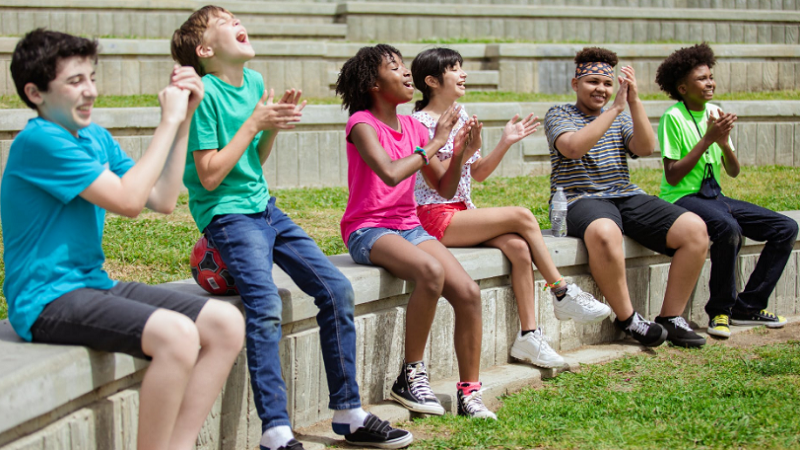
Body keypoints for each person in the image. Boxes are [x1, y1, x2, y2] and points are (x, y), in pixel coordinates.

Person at [170, 7, 411, 450]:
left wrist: (271, 129)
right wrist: (255, 124)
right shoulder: (202, 94)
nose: (237, 21)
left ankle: (348, 412)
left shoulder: (256, 83)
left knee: (335, 289)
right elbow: (209, 177)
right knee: (264, 306)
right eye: (224, 21)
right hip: (226, 214)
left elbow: (252, 162)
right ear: (205, 51)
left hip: (265, 208)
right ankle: (275, 430)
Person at [1, 29, 245, 450]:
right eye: (75, 82)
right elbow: (129, 201)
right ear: (35, 93)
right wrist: (166, 121)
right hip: (44, 300)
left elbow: (161, 198)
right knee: (177, 336)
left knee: (225, 324)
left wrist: (184, 118)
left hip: (93, 285)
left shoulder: (93, 137)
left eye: (91, 78)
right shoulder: (38, 142)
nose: (90, 91)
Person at [409, 47, 612, 369]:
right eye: (454, 69)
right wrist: (461, 150)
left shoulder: (462, 116)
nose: (463, 74)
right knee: (521, 215)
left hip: (462, 211)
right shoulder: (417, 124)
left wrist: (505, 141)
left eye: (462, 67)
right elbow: (438, 184)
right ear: (432, 80)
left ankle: (529, 336)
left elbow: (479, 173)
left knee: (518, 248)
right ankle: (560, 291)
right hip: (432, 215)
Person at [335, 44, 498, 420]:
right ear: (373, 84)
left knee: (469, 293)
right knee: (431, 272)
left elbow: (443, 189)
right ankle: (410, 375)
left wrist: (458, 152)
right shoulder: (362, 123)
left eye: (405, 66)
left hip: (409, 226)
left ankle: (469, 393)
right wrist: (436, 144)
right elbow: (390, 172)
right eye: (394, 68)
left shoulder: (410, 125)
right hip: (369, 229)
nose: (406, 73)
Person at [543, 47, 710, 348]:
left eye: (608, 84)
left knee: (695, 229)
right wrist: (615, 110)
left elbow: (646, 148)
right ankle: (628, 318)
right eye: (593, 81)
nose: (601, 89)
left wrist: (633, 101)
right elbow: (572, 148)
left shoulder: (619, 116)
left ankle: (671, 317)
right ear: (575, 84)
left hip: (625, 194)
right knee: (606, 233)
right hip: (579, 199)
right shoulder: (560, 113)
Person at [654, 43, 798, 338]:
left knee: (785, 227)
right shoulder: (673, 117)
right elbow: (672, 176)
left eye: (711, 76)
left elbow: (733, 171)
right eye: (702, 78)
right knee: (727, 228)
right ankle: (720, 311)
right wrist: (707, 139)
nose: (710, 83)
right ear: (682, 87)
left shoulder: (715, 112)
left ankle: (748, 306)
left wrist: (722, 142)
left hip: (714, 196)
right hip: (683, 198)